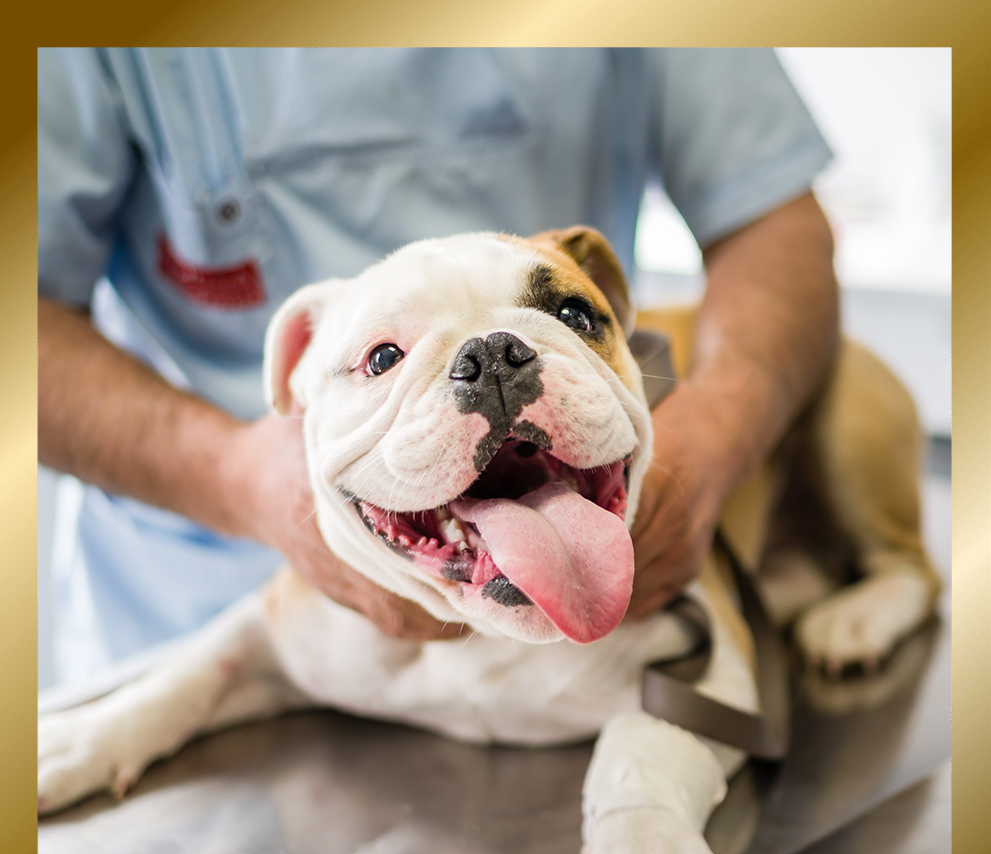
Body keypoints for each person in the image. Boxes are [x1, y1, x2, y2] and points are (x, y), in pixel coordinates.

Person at [38, 48, 838, 683]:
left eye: (563, 311)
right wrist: (240, 478)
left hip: (603, 579)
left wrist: (721, 429)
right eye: (385, 356)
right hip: (188, 604)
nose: (488, 367)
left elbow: (769, 216)